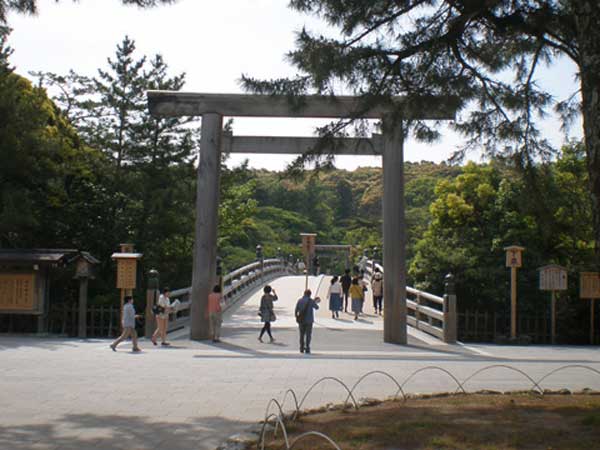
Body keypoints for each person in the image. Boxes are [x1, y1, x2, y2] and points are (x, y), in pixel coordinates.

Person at [295, 289, 320, 354]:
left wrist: (297, 318)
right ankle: (307, 347)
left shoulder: (300, 300)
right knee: (308, 335)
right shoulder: (311, 301)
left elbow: (296, 310)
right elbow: (317, 307)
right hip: (309, 320)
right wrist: (315, 302)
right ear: (310, 295)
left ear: (304, 294)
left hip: (301, 320)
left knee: (301, 334)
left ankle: (301, 347)